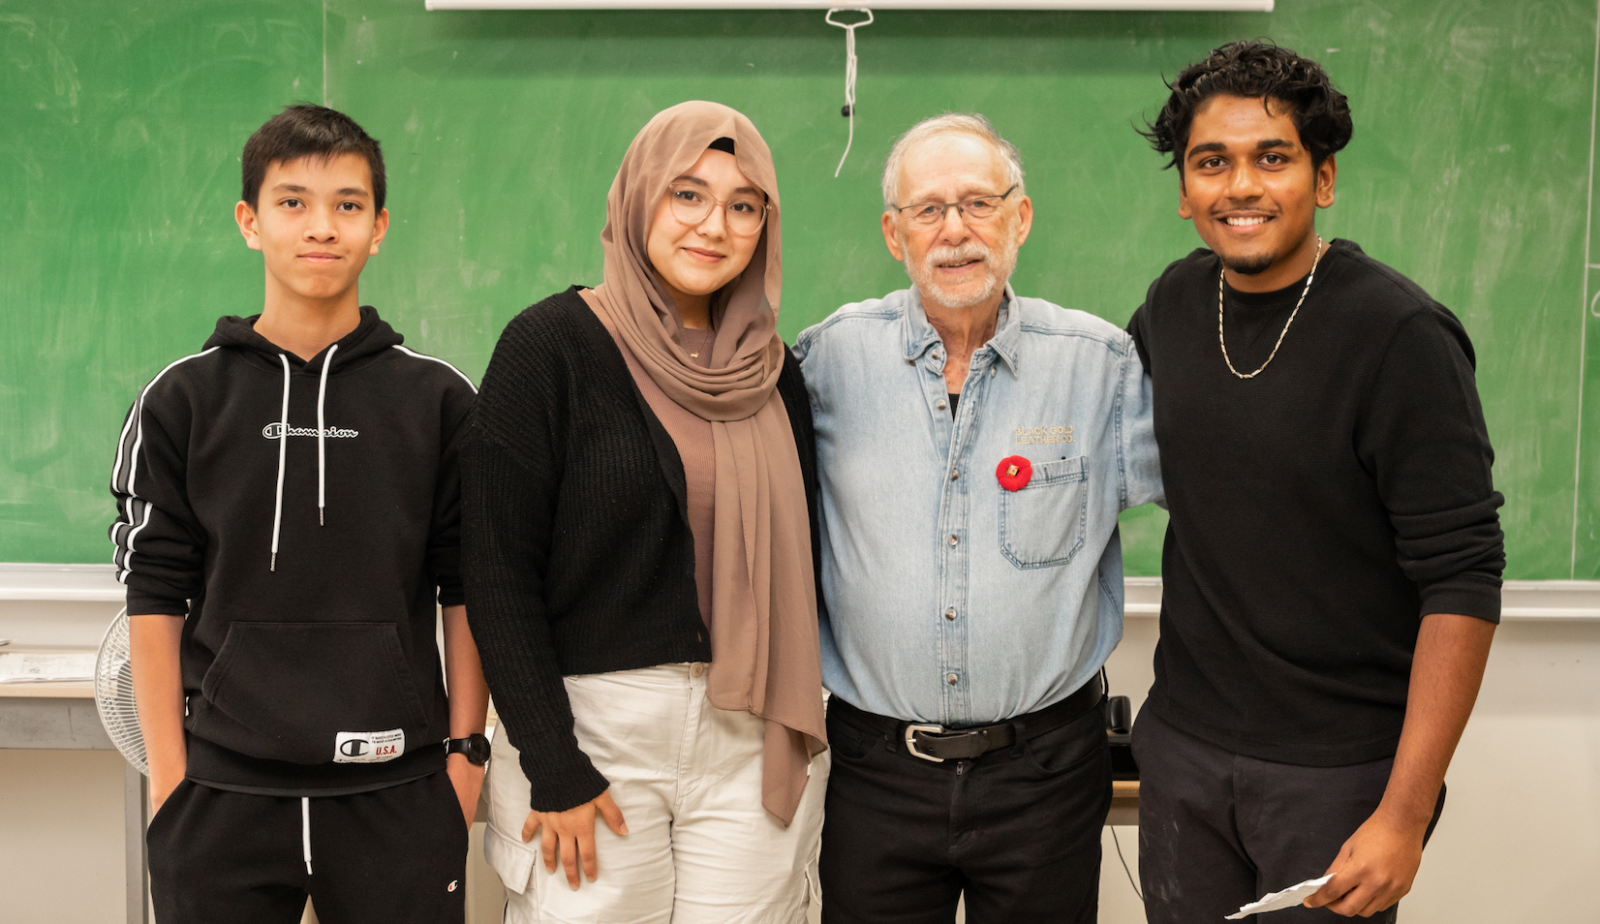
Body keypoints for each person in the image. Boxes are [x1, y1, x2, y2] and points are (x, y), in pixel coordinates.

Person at [1127, 40, 1504, 922]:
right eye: (1212, 163)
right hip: (1184, 755)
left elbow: (1463, 579)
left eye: (1274, 158)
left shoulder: (1400, 335)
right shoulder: (1173, 307)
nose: (1243, 187)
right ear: (1186, 193)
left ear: (1323, 179)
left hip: (1337, 777)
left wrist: (1405, 816)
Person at [112, 104, 489, 924]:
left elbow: (468, 591)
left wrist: (466, 760)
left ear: (379, 226)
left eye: (348, 205)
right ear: (250, 222)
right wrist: (170, 783)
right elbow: (154, 597)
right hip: (221, 793)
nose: (322, 226)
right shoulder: (183, 399)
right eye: (293, 202)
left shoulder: (438, 402)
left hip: (401, 787)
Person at [462, 100, 827, 924]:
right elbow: (495, 571)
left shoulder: (776, 374)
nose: (715, 226)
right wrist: (554, 764)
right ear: (638, 200)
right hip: (594, 730)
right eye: (687, 195)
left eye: (743, 205)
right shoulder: (550, 345)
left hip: (752, 731)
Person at [793, 112, 1163, 924]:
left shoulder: (1100, 370)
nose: (955, 231)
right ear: (895, 234)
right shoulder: (826, 363)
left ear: (1020, 218)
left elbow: (1227, 504)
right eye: (928, 210)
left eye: (979, 204)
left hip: (1047, 774)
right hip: (875, 772)